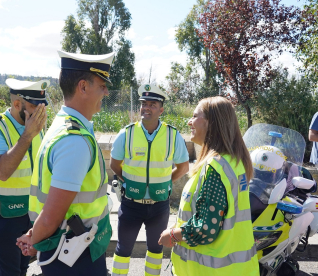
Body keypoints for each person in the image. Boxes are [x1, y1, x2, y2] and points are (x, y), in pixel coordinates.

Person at [16, 50, 115, 276]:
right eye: (102, 85)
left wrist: (34, 236)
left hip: (68, 249)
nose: (106, 92)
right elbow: (52, 216)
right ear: (83, 87)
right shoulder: (74, 140)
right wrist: (35, 239)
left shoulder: (63, 126)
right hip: (76, 257)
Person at [159, 96, 259, 276]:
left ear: (211, 123)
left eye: (195, 115)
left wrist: (173, 235)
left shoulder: (215, 167)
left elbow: (206, 228)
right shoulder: (235, 162)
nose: (190, 122)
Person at [110, 84, 189, 276]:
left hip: (159, 205)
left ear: (161, 109)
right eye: (143, 103)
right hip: (131, 204)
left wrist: (165, 182)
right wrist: (129, 182)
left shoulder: (172, 135)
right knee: (122, 250)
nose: (146, 107)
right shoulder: (126, 133)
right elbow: (114, 165)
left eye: (152, 104)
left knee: (156, 251)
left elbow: (183, 167)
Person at [0, 78, 48, 276]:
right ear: (17, 104)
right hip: (4, 216)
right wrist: (27, 135)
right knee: (10, 272)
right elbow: (2, 171)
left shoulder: (35, 127)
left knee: (22, 269)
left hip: (30, 214)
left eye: (42, 106)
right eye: (35, 106)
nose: (40, 112)